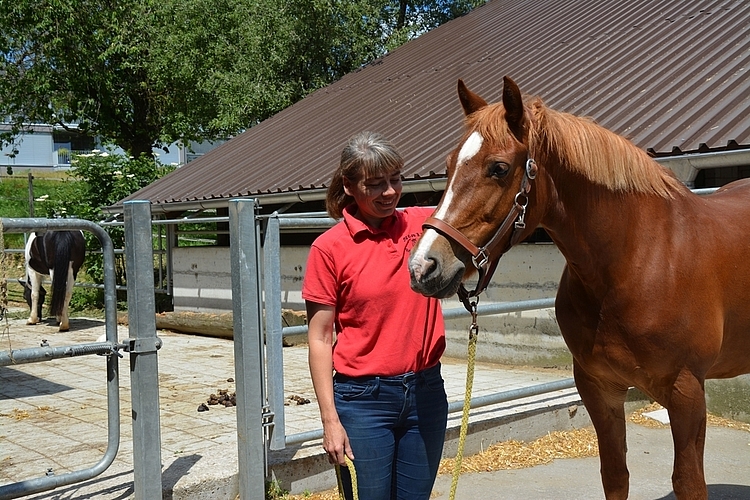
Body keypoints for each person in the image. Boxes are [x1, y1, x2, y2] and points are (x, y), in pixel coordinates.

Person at [302, 131, 448, 500]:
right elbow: (320, 339)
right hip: (362, 401)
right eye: (375, 184)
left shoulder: (424, 225)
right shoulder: (329, 248)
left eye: (395, 180)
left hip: (426, 391)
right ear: (349, 186)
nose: (388, 192)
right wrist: (330, 421)